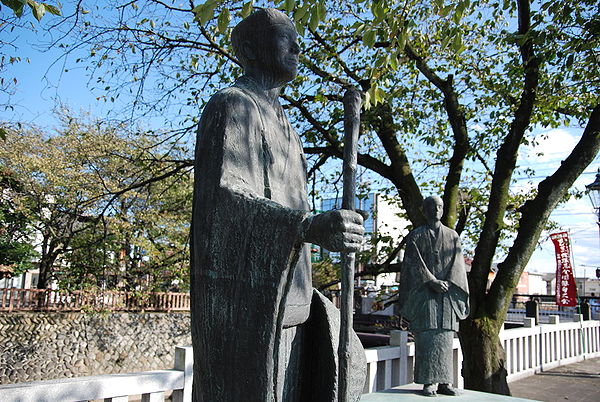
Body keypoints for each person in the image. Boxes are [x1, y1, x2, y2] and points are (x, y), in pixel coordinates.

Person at [190, 8, 366, 402]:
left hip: (292, 298)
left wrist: (329, 228)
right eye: (284, 36)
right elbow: (225, 200)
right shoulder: (231, 105)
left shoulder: (290, 130)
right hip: (248, 308)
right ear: (250, 48)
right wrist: (307, 226)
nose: (297, 46)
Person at [399, 196, 469, 397]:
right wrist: (431, 281)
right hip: (425, 295)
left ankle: (445, 381)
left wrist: (447, 282)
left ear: (443, 209)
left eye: (439, 206)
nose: (436, 210)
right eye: (431, 206)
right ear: (424, 210)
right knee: (426, 338)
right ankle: (428, 382)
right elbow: (413, 264)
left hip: (447, 295)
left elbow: (458, 265)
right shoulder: (416, 236)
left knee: (445, 338)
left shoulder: (452, 235)